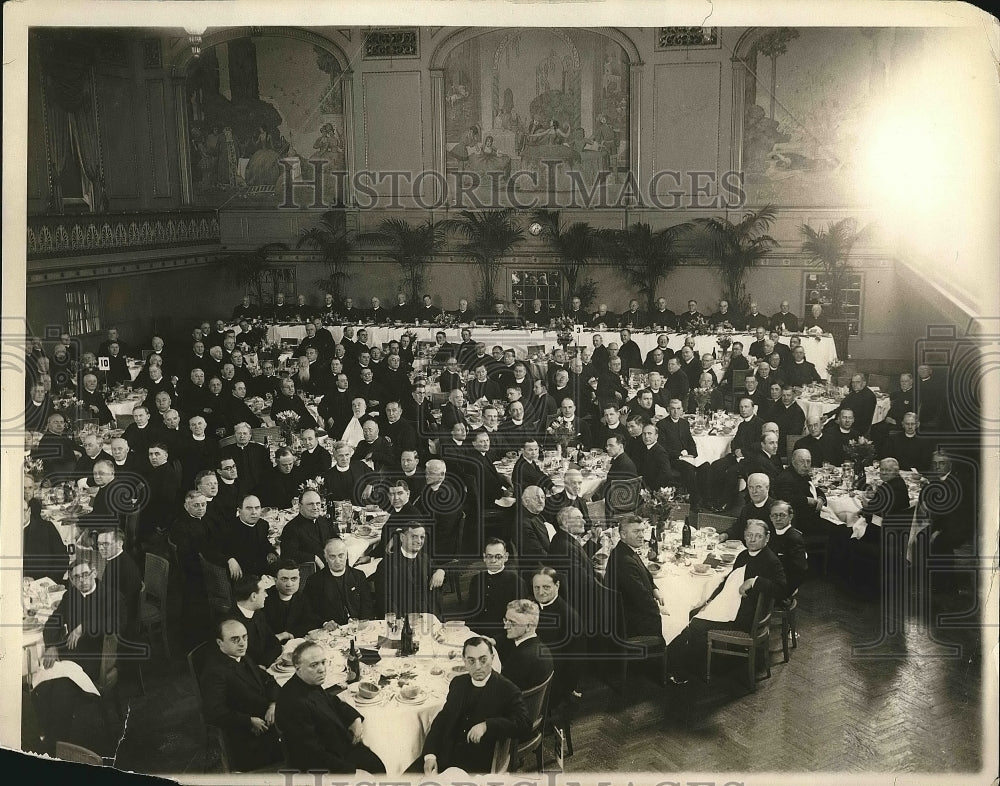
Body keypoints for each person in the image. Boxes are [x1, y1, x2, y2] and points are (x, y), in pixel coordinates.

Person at [668, 520, 786, 682]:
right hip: (733, 605)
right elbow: (729, 582)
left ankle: (694, 670)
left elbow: (782, 589)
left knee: (696, 625)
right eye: (749, 535)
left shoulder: (770, 560)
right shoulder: (744, 554)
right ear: (744, 535)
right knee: (694, 611)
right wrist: (710, 600)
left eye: (758, 536)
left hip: (744, 617)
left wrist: (754, 581)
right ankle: (686, 662)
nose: (752, 539)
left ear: (767, 538)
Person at [420, 637, 529, 775]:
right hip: (444, 756)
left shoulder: (507, 689)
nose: (477, 666)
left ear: (492, 658)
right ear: (464, 661)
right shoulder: (458, 683)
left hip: (477, 766)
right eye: (471, 660)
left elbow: (525, 725)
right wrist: (430, 755)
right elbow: (442, 719)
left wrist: (487, 725)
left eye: (483, 659)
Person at [277, 640, 386, 774]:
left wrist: (355, 718)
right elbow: (309, 756)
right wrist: (351, 772)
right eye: (314, 665)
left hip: (337, 747)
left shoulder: (307, 681)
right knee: (377, 768)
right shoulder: (293, 702)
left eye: (323, 662)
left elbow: (333, 701)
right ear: (298, 668)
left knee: (379, 759)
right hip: (324, 765)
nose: (322, 669)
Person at [199, 617, 282, 771]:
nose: (243, 643)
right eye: (235, 639)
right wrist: (248, 721)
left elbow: (269, 680)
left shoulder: (239, 654)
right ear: (220, 643)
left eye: (245, 637)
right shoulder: (215, 672)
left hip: (266, 715)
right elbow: (213, 712)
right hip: (248, 735)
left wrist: (273, 703)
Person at [605, 516, 667, 639]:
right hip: (633, 622)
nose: (641, 536)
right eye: (636, 532)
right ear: (623, 534)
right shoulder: (624, 560)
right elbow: (640, 597)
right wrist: (658, 609)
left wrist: (655, 590)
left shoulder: (626, 549)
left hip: (634, 607)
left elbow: (645, 574)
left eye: (642, 531)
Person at [374, 523, 444, 617]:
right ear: (402, 537)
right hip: (401, 618)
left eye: (422, 537)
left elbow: (436, 570)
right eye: (414, 536)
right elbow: (385, 600)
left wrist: (440, 571)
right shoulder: (386, 565)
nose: (419, 541)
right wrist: (402, 622)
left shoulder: (425, 559)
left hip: (427, 617)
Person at [204, 494, 278, 580]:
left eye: (257, 508)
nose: (254, 512)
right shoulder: (226, 528)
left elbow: (264, 543)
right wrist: (229, 559)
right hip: (241, 576)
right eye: (249, 508)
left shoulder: (263, 524)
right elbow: (210, 551)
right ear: (239, 511)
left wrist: (270, 552)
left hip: (262, 571)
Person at [304, 537, 374, 625]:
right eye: (332, 557)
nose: (337, 561)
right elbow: (308, 612)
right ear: (325, 558)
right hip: (330, 632)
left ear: (346, 556)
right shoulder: (314, 581)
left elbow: (367, 606)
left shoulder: (358, 576)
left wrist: (363, 623)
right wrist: (324, 623)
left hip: (359, 629)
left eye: (341, 555)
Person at [462, 539, 524, 637]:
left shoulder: (516, 582)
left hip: (503, 638)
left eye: (498, 557)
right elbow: (470, 614)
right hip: (475, 636)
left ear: (506, 557)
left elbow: (519, 622)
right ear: (484, 557)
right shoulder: (476, 580)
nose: (493, 560)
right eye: (489, 556)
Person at [772, 449, 835, 536]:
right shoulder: (785, 478)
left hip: (813, 517)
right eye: (802, 461)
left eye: (808, 462)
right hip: (800, 524)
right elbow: (786, 499)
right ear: (793, 462)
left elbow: (815, 489)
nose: (806, 465)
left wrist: (821, 499)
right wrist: (807, 500)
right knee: (841, 530)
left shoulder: (802, 474)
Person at [499, 599, 554, 692]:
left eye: (512, 623)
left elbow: (501, 691)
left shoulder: (522, 657)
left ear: (529, 626)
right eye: (506, 620)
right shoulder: (540, 648)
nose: (506, 626)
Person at [279, 490, 340, 569]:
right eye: (310, 504)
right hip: (310, 572)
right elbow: (288, 555)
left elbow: (334, 538)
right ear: (300, 507)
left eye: (318, 504)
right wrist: (314, 558)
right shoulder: (291, 528)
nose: (315, 507)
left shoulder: (323, 520)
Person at [263, 560, 317, 640]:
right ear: (275, 580)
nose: (289, 584)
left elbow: (309, 623)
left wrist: (288, 634)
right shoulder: (264, 599)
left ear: (299, 579)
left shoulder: (302, 598)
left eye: (294, 579)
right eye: (284, 579)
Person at [767, 502, 808, 599]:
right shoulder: (772, 535)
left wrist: (783, 593)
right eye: (774, 515)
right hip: (771, 580)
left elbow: (799, 572)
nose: (778, 519)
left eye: (782, 515)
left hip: (783, 587)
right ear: (770, 517)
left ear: (790, 517)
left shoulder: (794, 538)